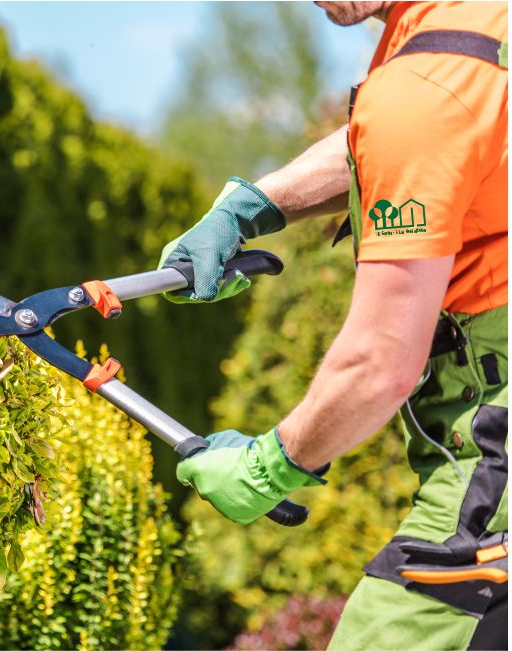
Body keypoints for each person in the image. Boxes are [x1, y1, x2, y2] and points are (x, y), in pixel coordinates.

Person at [161, 2, 507, 648]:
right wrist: (254, 206)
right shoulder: (475, 26)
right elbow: (408, 145)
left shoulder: (423, 87)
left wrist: (268, 465)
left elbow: (380, 360)